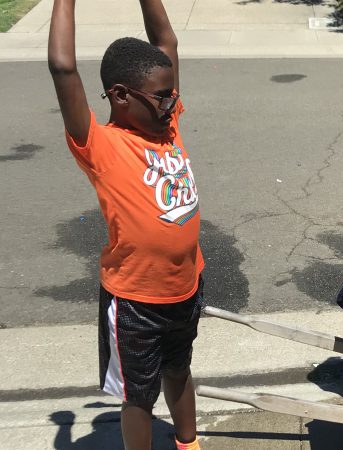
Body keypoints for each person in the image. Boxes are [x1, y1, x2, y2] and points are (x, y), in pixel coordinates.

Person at [48, 1, 203, 449]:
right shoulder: (101, 145)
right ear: (120, 96)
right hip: (135, 301)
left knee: (179, 369)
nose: (173, 101)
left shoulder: (166, 125)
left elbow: (166, 43)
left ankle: (188, 443)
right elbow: (63, 69)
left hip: (187, 287)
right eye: (161, 95)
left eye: (172, 92)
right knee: (138, 397)